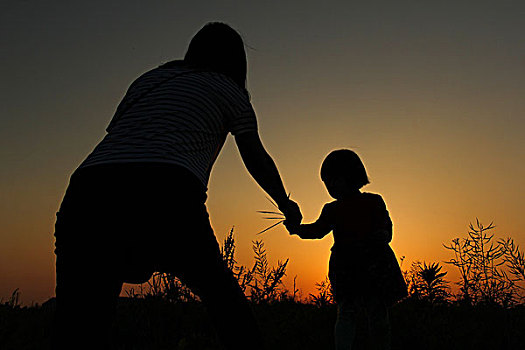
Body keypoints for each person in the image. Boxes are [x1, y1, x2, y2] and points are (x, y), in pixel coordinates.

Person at [53, 22, 302, 349]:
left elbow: (118, 130)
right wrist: (285, 203)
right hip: (166, 188)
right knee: (223, 301)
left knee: (81, 324)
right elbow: (254, 155)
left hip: (90, 189)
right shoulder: (230, 90)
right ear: (236, 61)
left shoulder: (147, 80)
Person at [285, 149, 406, 350]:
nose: (329, 186)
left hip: (370, 266)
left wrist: (383, 235)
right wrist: (297, 229)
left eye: (333, 180)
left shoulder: (372, 202)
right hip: (351, 268)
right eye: (327, 182)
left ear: (350, 177)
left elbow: (386, 227)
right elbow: (317, 230)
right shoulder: (333, 209)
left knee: (374, 312)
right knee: (352, 312)